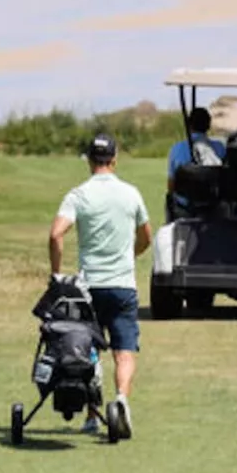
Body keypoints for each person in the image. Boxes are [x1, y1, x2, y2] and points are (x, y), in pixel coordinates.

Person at [48, 134, 151, 439]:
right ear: (114, 160)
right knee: (124, 352)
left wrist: (56, 276)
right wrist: (131, 254)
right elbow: (146, 236)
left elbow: (56, 235)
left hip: (89, 287)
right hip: (122, 285)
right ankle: (121, 400)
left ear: (90, 161)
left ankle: (93, 416)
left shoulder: (78, 194)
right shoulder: (131, 194)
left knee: (87, 351)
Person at [166, 106, 226, 211]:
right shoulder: (220, 147)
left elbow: (171, 184)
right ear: (208, 126)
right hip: (213, 204)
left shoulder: (177, 148)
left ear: (190, 125)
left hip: (185, 206)